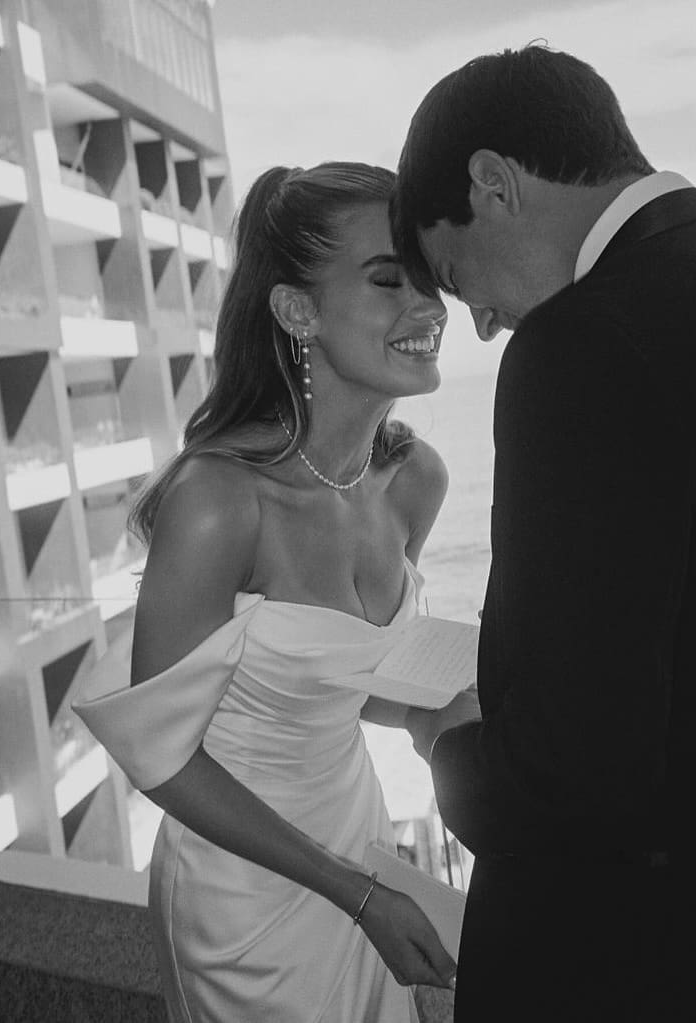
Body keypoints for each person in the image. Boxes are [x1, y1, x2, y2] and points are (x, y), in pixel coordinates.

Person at [394, 44, 696, 1022]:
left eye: (460, 279)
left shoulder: (584, 347)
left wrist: (455, 750)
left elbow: (574, 773)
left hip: (625, 953)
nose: (489, 325)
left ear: (493, 184)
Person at [74, 162, 455, 1023]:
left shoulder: (414, 481)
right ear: (296, 310)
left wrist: (442, 723)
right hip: (243, 892)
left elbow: (347, 688)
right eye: (390, 279)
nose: (428, 308)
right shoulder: (219, 501)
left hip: (361, 836)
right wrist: (355, 894)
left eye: (429, 279)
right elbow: (162, 760)